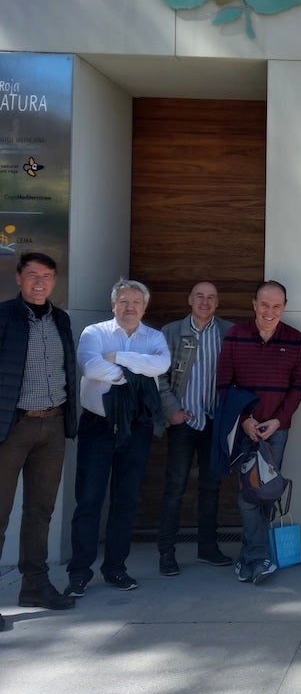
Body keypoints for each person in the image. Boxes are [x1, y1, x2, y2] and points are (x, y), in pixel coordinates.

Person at [65, 279, 170, 597]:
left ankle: (115, 569)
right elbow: (90, 366)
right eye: (123, 301)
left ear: (145, 306)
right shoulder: (94, 333)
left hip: (136, 427)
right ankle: (79, 573)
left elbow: (161, 364)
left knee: (126, 502)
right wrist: (133, 373)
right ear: (113, 304)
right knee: (89, 501)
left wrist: (118, 358)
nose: (129, 307)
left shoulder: (154, 336)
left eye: (136, 302)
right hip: (98, 426)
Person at [0, 253, 78, 621]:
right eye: (32, 275)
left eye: (47, 276)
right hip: (12, 427)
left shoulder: (61, 319)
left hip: (53, 425)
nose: (40, 282)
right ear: (19, 278)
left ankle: (35, 585)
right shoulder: (4, 316)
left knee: (40, 510)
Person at [216, 280, 301, 585]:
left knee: (266, 493)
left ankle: (252, 557)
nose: (270, 311)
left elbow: (298, 387)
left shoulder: (295, 339)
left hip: (276, 432)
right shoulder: (235, 335)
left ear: (284, 307)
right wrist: (245, 420)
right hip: (243, 431)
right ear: (254, 304)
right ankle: (258, 555)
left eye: (277, 306)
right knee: (247, 495)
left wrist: (278, 421)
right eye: (264, 305)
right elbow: (223, 385)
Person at [156, 281, 234, 576]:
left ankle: (208, 547)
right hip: (183, 422)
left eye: (211, 297)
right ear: (190, 299)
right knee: (175, 487)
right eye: (199, 296)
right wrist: (172, 411)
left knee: (211, 487)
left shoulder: (228, 332)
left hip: (213, 421)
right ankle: (166, 552)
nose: (205, 302)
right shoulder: (171, 332)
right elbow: (158, 377)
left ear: (217, 302)